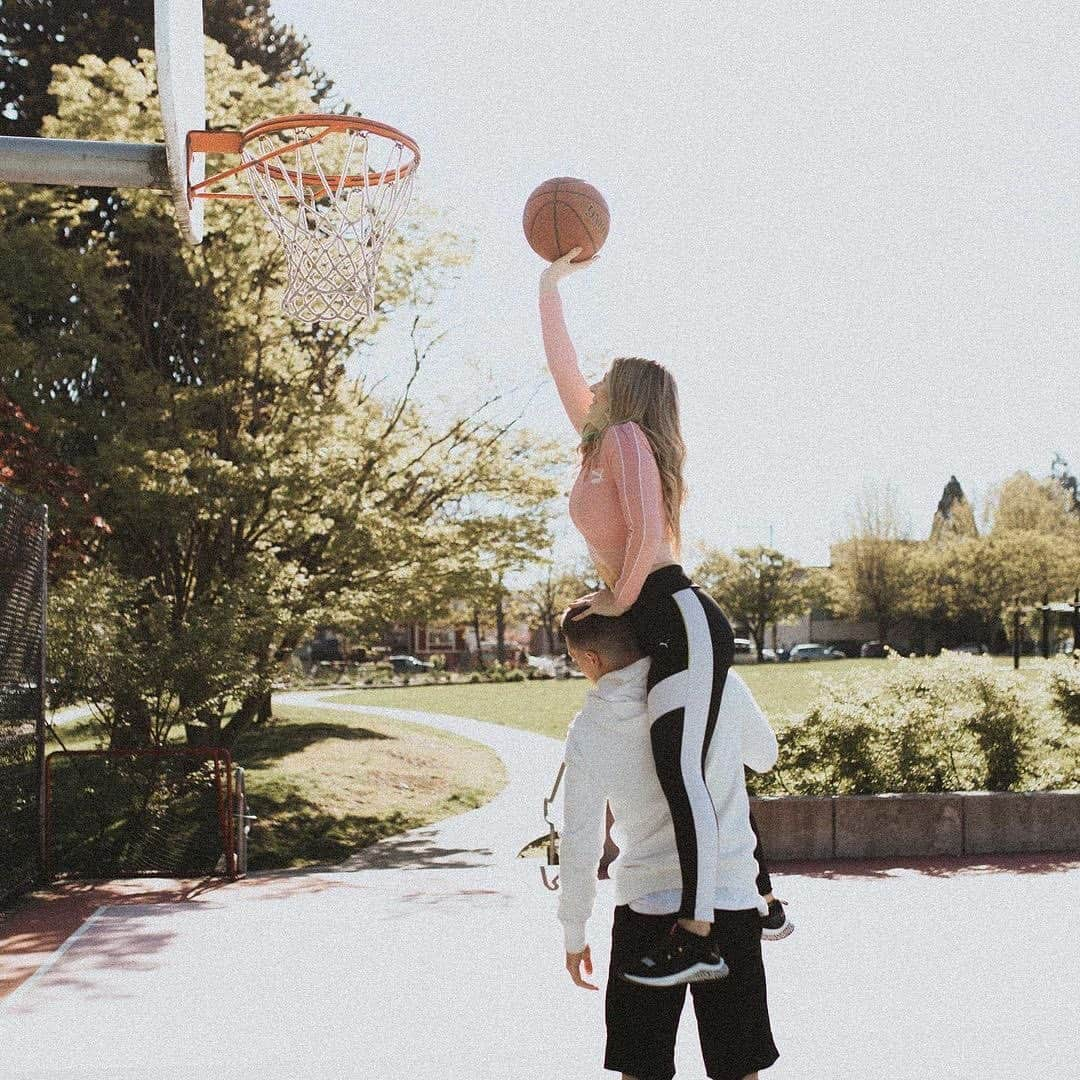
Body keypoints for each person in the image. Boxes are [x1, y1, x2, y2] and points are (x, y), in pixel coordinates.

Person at [539, 250, 790, 985]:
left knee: (683, 772)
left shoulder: (627, 441)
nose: (592, 384)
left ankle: (703, 931)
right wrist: (549, 287)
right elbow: (561, 370)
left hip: (678, 614)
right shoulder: (601, 446)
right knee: (683, 768)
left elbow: (648, 531)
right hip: (656, 620)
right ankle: (742, 910)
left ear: (630, 394)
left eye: (607, 379)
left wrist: (616, 599)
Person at [557, 605, 780, 1080]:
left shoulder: (591, 726)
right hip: (730, 897)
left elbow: (579, 843)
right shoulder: (714, 684)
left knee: (642, 1067)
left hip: (646, 903)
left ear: (591, 659)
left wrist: (574, 932)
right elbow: (765, 756)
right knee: (739, 1068)